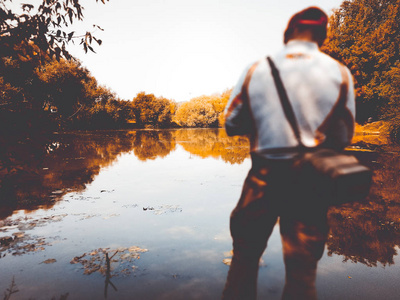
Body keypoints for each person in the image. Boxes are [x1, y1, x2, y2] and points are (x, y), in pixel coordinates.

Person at [222, 7, 355, 300]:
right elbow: (344, 137)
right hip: (310, 182)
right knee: (302, 276)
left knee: (243, 263)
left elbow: (231, 123)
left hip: (263, 177)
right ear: (322, 35)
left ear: (287, 33)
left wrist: (266, 124)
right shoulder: (341, 73)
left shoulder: (257, 68)